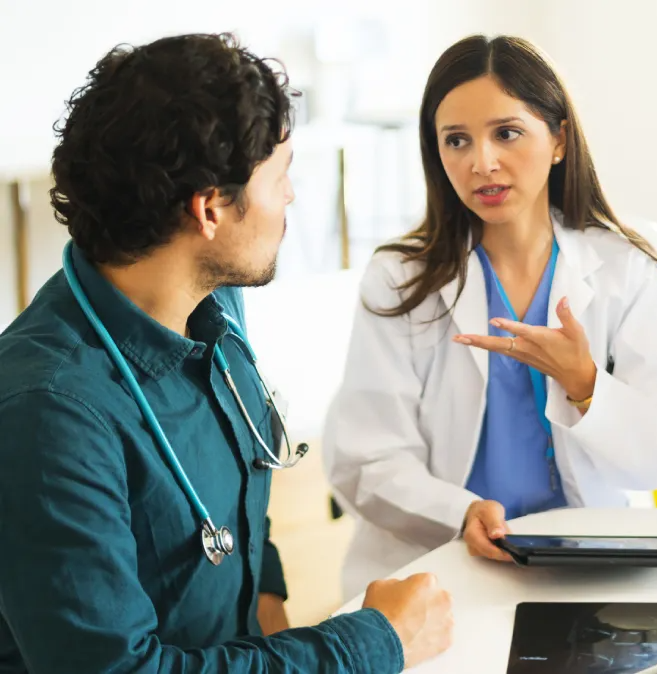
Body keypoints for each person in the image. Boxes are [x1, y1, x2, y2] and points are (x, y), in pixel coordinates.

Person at [0, 34, 452, 672]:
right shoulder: (48, 413)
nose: (291, 197)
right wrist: (376, 642)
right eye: (281, 174)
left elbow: (238, 513)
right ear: (211, 207)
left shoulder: (215, 310)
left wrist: (273, 624)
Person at [324, 34, 657, 599]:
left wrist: (586, 384)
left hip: (584, 561)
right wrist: (461, 511)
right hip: (437, 559)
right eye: (456, 140)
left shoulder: (625, 269)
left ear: (559, 140)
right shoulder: (400, 279)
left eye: (507, 133)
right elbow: (364, 460)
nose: (482, 163)